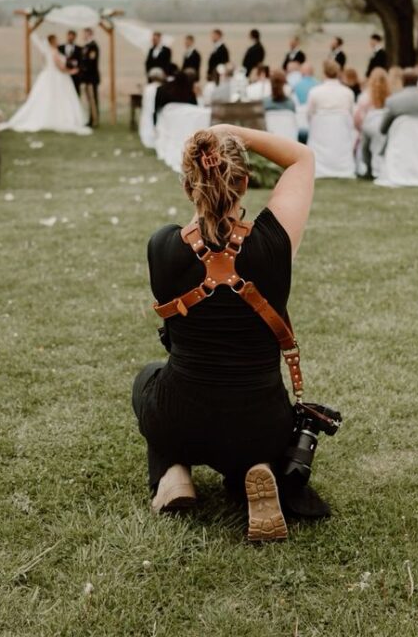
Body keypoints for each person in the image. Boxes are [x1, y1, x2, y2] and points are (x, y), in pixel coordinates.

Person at [132, 124, 328, 539]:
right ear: (243, 181)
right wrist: (234, 133)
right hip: (261, 423)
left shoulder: (162, 245)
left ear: (188, 187)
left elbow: (203, 233)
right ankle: (253, 469)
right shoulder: (275, 242)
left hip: (181, 417)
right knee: (248, 426)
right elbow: (302, 158)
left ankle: (173, 474)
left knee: (148, 378)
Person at [0, 33, 90, 135]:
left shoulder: (48, 52)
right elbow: (59, 67)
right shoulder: (54, 52)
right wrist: (71, 71)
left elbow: (47, 63)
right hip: (57, 77)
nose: (58, 42)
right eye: (56, 40)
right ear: (52, 42)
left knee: (46, 97)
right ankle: (61, 119)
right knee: (60, 97)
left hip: (48, 75)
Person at [354, 68, 391, 177]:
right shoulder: (391, 97)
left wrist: (359, 130)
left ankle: (368, 168)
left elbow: (357, 119)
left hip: (369, 126)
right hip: (386, 128)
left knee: (364, 143)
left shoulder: (364, 97)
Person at [379, 68, 418, 134]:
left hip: (401, 141)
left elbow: (383, 129)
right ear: (417, 80)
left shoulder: (392, 100)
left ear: (403, 81)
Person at [80, 27, 101, 127]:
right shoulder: (86, 46)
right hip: (87, 78)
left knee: (93, 99)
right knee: (89, 99)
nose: (84, 36)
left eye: (85, 34)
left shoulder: (93, 46)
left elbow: (91, 62)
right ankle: (91, 119)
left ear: (90, 34)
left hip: (91, 78)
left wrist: (83, 69)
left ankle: (94, 120)